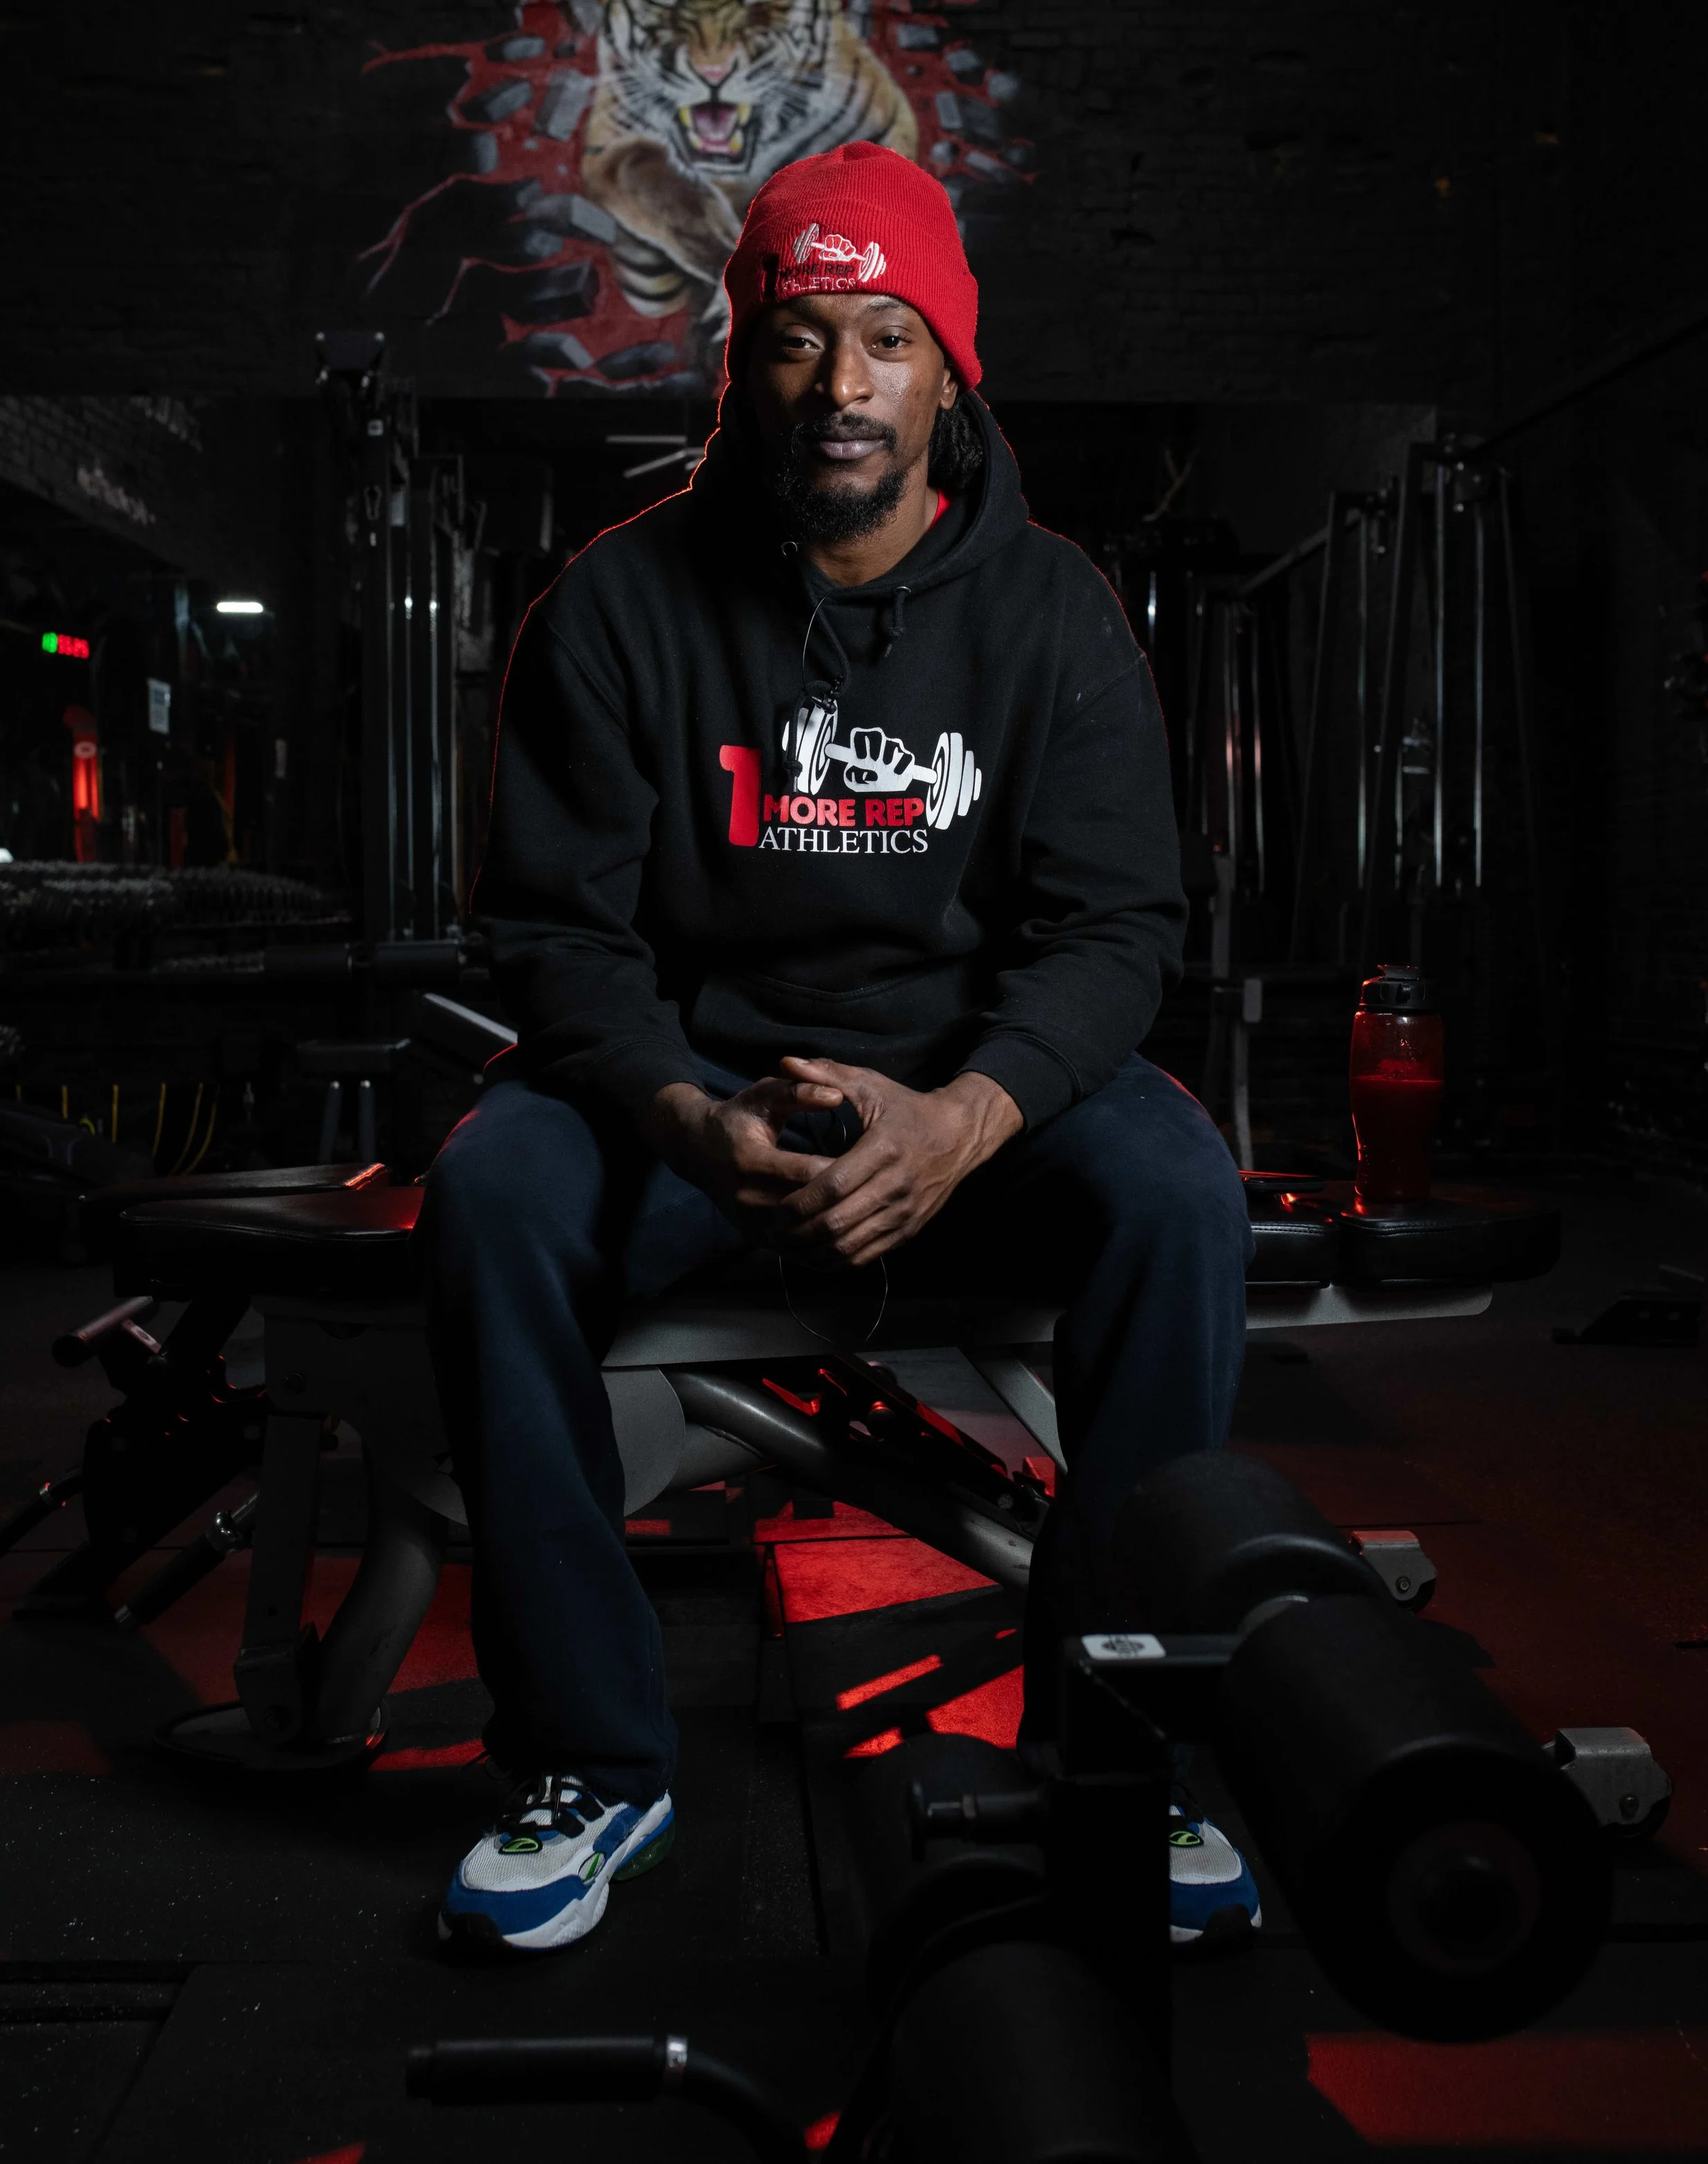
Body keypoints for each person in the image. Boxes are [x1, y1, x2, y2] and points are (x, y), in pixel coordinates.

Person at [420, 142, 1256, 1956]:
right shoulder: (622, 608)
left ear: (949, 371)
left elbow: (1117, 931)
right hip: (697, 1100)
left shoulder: (1049, 618)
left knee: (1178, 1184)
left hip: (971, 1102)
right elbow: (557, 935)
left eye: (886, 338)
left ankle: (1124, 1747)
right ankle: (591, 1754)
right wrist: (691, 1117)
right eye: (804, 339)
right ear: (747, 368)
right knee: (491, 1184)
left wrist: (964, 1115)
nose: (843, 385)